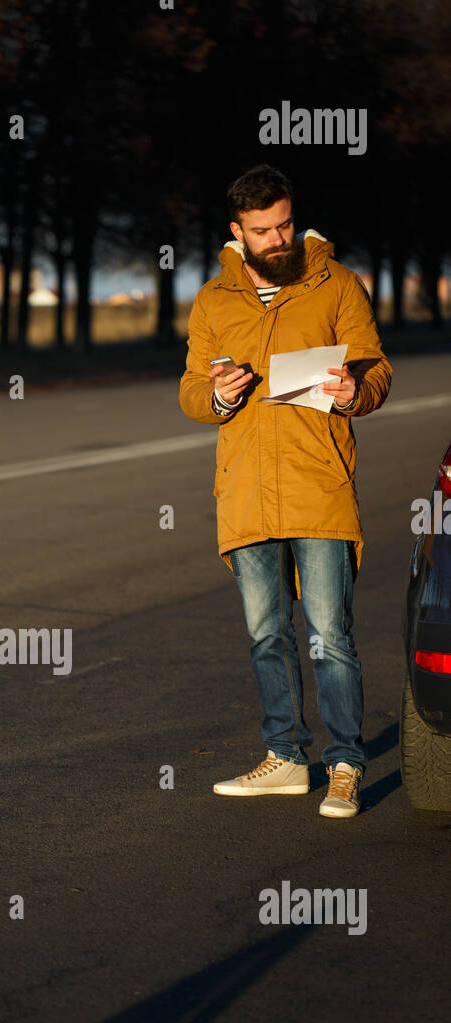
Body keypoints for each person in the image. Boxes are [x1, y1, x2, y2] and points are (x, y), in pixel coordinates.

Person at [179, 164, 392, 818]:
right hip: (244, 492)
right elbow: (191, 392)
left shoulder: (337, 285)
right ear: (238, 231)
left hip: (318, 483)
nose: (278, 239)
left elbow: (376, 370)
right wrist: (216, 395)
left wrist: (357, 392)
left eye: (286, 225)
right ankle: (285, 757)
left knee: (329, 634)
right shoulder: (215, 300)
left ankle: (347, 763)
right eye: (264, 230)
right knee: (265, 633)